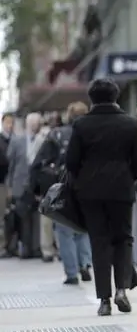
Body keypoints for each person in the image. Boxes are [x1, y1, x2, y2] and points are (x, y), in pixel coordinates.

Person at [65, 78, 137, 316]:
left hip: (90, 193)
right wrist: (126, 177)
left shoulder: (81, 125)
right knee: (123, 239)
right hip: (121, 190)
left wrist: (83, 181)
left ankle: (104, 301)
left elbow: (71, 161)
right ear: (115, 96)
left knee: (99, 243)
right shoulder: (130, 124)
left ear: (91, 98)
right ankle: (121, 289)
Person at [32, 102, 93, 285]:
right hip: (88, 186)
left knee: (65, 230)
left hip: (64, 187)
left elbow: (38, 164)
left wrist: (39, 188)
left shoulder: (56, 134)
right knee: (84, 229)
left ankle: (72, 272)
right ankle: (86, 263)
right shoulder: (93, 134)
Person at [7, 112, 45, 259]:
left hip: (37, 186)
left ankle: (36, 248)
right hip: (20, 184)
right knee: (22, 217)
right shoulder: (17, 141)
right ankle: (25, 248)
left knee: (37, 217)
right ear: (27, 125)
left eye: (37, 123)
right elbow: (11, 165)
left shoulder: (43, 140)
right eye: (32, 124)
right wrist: (10, 185)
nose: (34, 126)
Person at [0, 113, 13, 258]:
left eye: (11, 122)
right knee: (2, 216)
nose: (10, 125)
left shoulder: (16, 139)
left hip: (12, 182)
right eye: (7, 122)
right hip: (2, 182)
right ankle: (2, 245)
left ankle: (11, 244)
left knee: (11, 216)